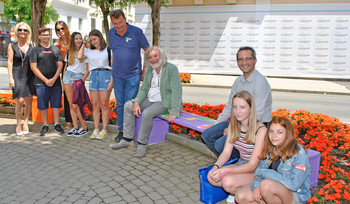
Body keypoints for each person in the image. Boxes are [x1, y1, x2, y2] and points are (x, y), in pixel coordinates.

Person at [112, 46, 182, 157]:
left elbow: (177, 90)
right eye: (150, 57)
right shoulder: (150, 69)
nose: (153, 59)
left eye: (155, 56)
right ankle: (127, 139)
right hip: (149, 100)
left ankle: (142, 143)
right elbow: (144, 88)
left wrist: (174, 112)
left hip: (164, 102)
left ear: (161, 56)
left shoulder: (171, 68)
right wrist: (136, 102)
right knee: (127, 106)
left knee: (147, 113)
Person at [202, 46, 272, 157]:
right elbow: (230, 105)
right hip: (239, 121)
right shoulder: (238, 81)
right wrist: (216, 124)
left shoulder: (260, 82)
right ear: (237, 62)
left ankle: (242, 161)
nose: (244, 62)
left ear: (255, 60)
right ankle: (230, 159)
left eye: (248, 58)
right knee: (207, 135)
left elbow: (257, 114)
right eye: (241, 59)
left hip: (256, 125)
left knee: (220, 144)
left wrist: (233, 130)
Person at [207, 91, 267, 203]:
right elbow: (226, 153)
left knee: (227, 182)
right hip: (242, 163)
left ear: (250, 108)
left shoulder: (260, 130)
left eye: (242, 107)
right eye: (235, 107)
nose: (237, 111)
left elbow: (253, 165)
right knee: (211, 176)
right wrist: (216, 166)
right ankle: (240, 190)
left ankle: (247, 193)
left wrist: (226, 172)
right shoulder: (233, 126)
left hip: (258, 170)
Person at [235, 117, 311, 204]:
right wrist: (256, 186)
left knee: (266, 185)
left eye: (279, 132)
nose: (274, 136)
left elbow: (294, 185)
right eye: (271, 131)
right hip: (271, 190)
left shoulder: (298, 153)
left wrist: (268, 174)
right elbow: (259, 172)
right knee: (240, 196)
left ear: (288, 133)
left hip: (294, 195)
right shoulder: (270, 147)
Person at [109, 9, 150, 143]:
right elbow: (114, 53)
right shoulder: (111, 33)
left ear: (125, 19)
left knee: (130, 104)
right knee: (120, 105)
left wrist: (144, 71)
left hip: (133, 75)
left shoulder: (136, 32)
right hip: (117, 75)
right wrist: (112, 72)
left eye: (120, 22)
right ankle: (122, 131)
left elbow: (147, 51)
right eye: (115, 23)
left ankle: (129, 134)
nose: (118, 26)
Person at [78, 29, 113, 140]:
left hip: (105, 75)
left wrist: (112, 82)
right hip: (93, 76)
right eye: (91, 40)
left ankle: (104, 129)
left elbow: (113, 66)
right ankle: (96, 128)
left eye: (95, 39)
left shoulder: (108, 50)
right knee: (95, 105)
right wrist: (84, 43)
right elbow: (79, 56)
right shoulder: (89, 51)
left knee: (104, 104)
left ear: (100, 38)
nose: (93, 42)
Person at [30, 27, 64, 136]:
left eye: (47, 34)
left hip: (56, 83)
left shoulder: (55, 49)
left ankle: (57, 124)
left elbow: (60, 64)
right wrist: (45, 80)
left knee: (56, 104)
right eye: (43, 35)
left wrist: (54, 79)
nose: (46, 36)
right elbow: (33, 67)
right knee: (43, 105)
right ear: (39, 36)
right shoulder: (35, 50)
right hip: (40, 83)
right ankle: (45, 125)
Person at [7, 22, 35, 136]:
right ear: (17, 32)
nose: (22, 32)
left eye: (25, 30)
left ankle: (26, 123)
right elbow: (9, 61)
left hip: (29, 75)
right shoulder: (12, 45)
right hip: (17, 74)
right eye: (20, 30)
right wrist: (10, 77)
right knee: (20, 100)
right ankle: (18, 124)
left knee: (28, 100)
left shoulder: (32, 44)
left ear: (28, 33)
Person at [63, 32, 90, 137]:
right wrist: (63, 80)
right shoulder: (69, 52)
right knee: (71, 105)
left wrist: (82, 80)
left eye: (80, 38)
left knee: (76, 105)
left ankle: (84, 127)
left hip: (78, 77)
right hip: (68, 78)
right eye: (76, 39)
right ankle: (75, 127)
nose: (78, 40)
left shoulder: (86, 52)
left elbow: (88, 69)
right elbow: (66, 67)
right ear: (73, 40)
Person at [54, 21, 73, 130]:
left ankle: (78, 118)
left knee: (76, 94)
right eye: (58, 29)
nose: (60, 31)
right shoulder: (57, 43)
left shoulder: (72, 40)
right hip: (63, 68)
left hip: (74, 68)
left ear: (66, 28)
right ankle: (69, 120)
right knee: (66, 95)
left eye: (62, 28)